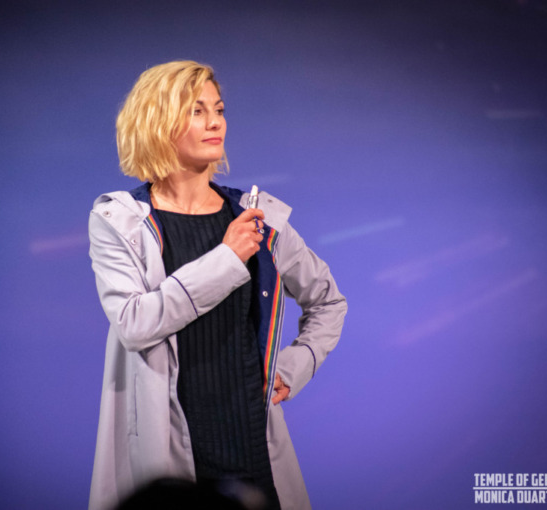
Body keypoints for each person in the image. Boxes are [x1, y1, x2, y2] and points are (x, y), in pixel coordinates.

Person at [88, 60, 346, 510]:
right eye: (195, 111)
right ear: (157, 123)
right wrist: (225, 259)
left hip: (251, 446)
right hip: (166, 453)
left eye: (219, 109)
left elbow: (328, 301)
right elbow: (133, 323)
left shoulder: (255, 219)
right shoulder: (119, 220)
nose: (214, 122)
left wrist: (294, 364)